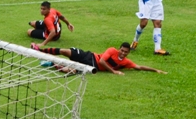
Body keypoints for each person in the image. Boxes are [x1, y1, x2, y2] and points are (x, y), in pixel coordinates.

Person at [31, 42, 166, 75]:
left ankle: (52, 63)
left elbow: (139, 67)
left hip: (92, 68)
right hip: (90, 57)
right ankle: (40, 50)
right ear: (119, 49)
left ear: (128, 53)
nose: (123, 53)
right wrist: (113, 72)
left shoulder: (125, 62)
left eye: (126, 52)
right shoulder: (112, 50)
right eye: (122, 51)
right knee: (65, 51)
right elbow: (101, 61)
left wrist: (157, 70)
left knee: (69, 71)